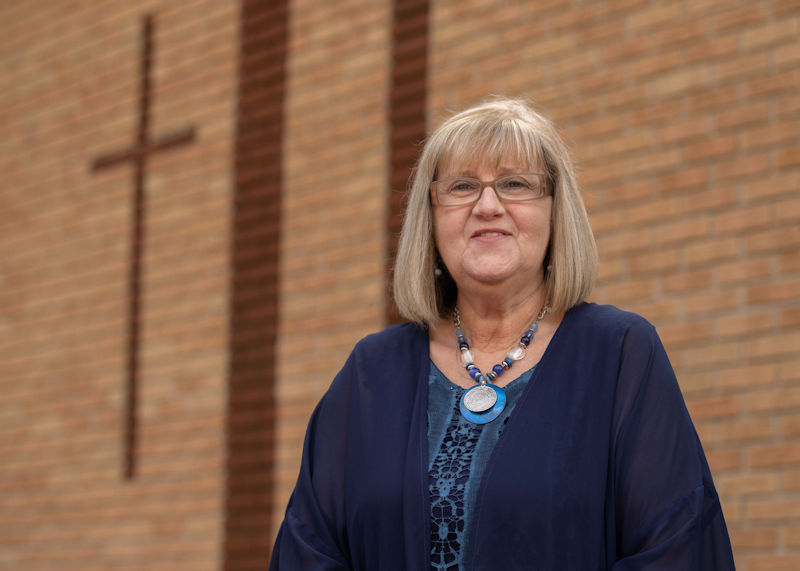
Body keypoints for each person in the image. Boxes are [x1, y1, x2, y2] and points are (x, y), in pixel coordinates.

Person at [270, 97, 735, 570]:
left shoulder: (619, 354)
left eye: (515, 184)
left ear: (555, 214)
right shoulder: (371, 371)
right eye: (461, 186)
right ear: (431, 219)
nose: (487, 206)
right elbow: (308, 550)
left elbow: (678, 547)